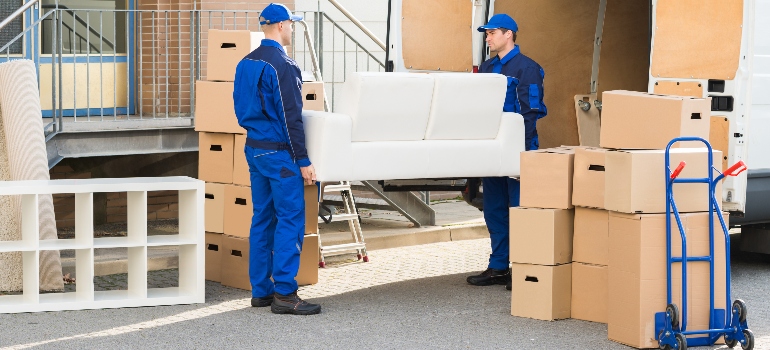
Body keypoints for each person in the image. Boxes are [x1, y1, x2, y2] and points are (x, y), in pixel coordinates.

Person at [232, 3, 321, 315]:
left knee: (262, 218)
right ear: (282, 25)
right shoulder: (282, 64)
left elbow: (239, 108)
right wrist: (304, 160)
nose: (293, 29)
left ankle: (261, 290)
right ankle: (285, 292)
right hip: (280, 154)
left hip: (254, 148)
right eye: (292, 24)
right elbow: (291, 117)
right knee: (290, 219)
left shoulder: (245, 62)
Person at [466, 14, 548, 289]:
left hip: (518, 150)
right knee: (494, 210)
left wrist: (518, 151)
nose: (487, 38)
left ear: (508, 34)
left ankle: (523, 268)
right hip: (492, 151)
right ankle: (498, 266)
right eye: (486, 33)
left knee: (519, 209)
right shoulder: (488, 67)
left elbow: (531, 113)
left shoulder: (528, 68)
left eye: (491, 33)